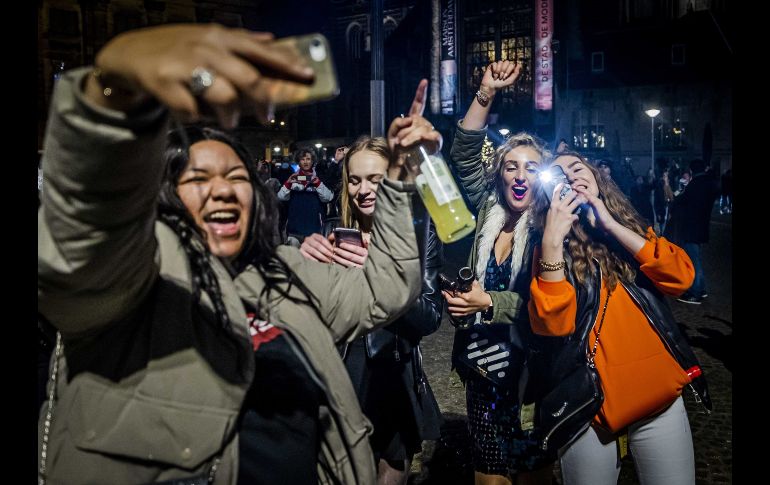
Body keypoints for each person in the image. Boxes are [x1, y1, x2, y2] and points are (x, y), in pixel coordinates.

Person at [37, 23, 441, 484]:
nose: (223, 191)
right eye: (198, 179)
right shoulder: (130, 275)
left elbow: (385, 290)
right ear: (162, 195)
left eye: (236, 177)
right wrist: (117, 87)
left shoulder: (280, 270)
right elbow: (80, 232)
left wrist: (400, 178)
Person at [527, 149, 712, 485]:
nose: (571, 175)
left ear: (597, 175)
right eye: (559, 174)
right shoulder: (548, 248)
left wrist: (611, 225)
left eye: (577, 166)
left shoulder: (630, 226)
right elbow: (554, 326)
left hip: (659, 399)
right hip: (590, 407)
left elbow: (681, 278)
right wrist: (552, 240)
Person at [300, 119, 443, 484]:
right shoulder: (333, 232)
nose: (364, 190)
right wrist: (304, 268)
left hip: (392, 383)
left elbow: (428, 318)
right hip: (341, 384)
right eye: (355, 179)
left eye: (376, 179)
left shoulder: (419, 234)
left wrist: (383, 276)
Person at [443, 60, 554, 485]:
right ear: (501, 174)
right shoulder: (490, 207)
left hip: (528, 372)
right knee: (487, 474)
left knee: (532, 475)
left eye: (530, 167)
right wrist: (485, 91)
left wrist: (487, 301)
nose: (520, 174)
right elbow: (464, 150)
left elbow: (546, 304)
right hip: (482, 367)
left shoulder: (549, 226)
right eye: (511, 166)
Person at [670, 159, 720, 304]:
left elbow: (680, 200)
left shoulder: (695, 184)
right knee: (697, 258)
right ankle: (701, 289)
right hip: (702, 226)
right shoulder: (710, 184)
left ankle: (695, 293)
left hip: (691, 227)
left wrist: (678, 195)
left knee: (694, 261)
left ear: (692, 170)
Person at [277, 148, 334, 242]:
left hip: (314, 230)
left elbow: (328, 198)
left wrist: (317, 183)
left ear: (312, 161)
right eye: (302, 159)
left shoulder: (320, 177)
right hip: (294, 231)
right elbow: (280, 197)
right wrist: (288, 183)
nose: (305, 162)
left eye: (308, 159)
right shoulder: (293, 178)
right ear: (298, 162)